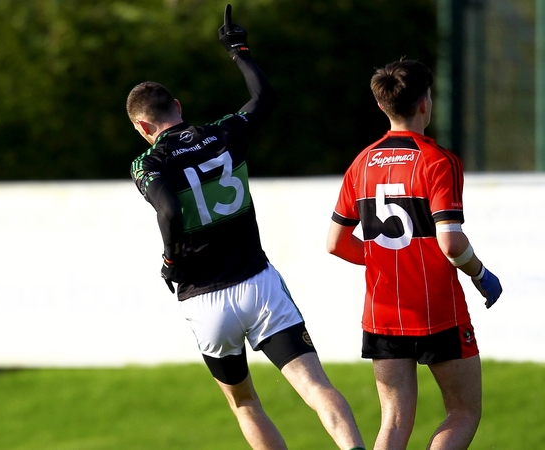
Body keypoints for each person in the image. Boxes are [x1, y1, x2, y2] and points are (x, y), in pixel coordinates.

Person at [128, 5, 365, 450]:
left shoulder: (148, 161)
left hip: (204, 300)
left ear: (143, 126)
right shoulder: (223, 133)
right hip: (259, 284)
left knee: (245, 404)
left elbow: (170, 213)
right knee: (315, 386)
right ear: (177, 108)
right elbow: (264, 98)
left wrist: (170, 259)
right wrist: (239, 51)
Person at [327, 59, 502, 450]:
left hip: (383, 311)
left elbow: (336, 243)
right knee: (463, 412)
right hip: (436, 308)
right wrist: (480, 274)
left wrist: (380, 259)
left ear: (381, 107)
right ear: (426, 103)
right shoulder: (439, 161)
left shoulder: (361, 163)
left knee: (393, 421)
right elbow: (452, 243)